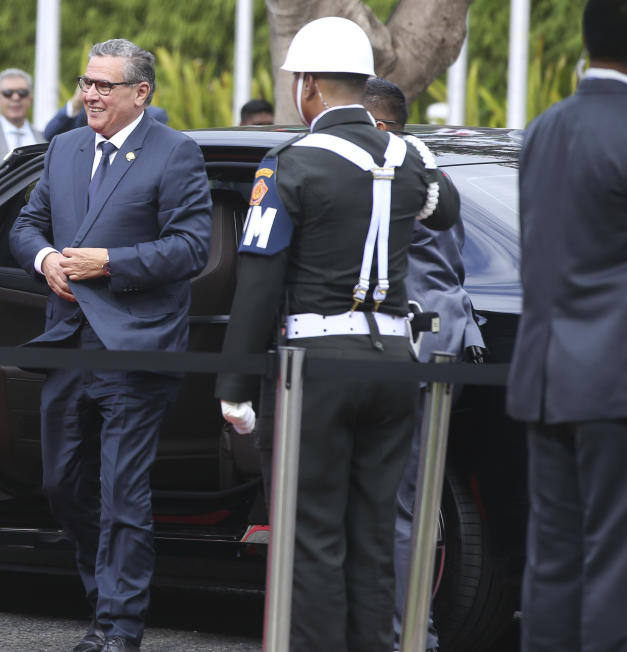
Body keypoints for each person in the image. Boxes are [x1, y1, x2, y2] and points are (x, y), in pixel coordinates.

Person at [215, 18, 457, 652]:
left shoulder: (290, 162)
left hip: (317, 365)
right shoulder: (406, 158)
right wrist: (405, 153)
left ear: (310, 86)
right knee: (374, 531)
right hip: (394, 361)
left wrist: (234, 387)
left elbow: (258, 283)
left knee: (311, 534)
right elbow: (446, 207)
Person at [9, 38, 211, 652]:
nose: (90, 94)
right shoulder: (65, 148)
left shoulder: (175, 153)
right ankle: (107, 594)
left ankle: (117, 626)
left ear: (140, 93)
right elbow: (25, 225)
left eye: (105, 85)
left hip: (134, 345)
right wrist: (45, 259)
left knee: (124, 490)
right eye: (85, 82)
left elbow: (192, 248)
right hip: (67, 340)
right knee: (61, 483)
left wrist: (109, 263)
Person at [506, 1, 627, 649]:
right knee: (620, 560)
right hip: (621, 381)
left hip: (546, 373)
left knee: (554, 559)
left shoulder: (544, 127)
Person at [362, 77, 483, 652]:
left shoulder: (390, 172)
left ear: (379, 125)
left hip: (406, 348)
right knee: (409, 504)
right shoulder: (432, 166)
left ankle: (408, 635)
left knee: (398, 506)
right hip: (441, 344)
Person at [42, 84, 169, 140]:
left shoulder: (154, 115)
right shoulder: (87, 113)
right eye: (89, 83)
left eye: (104, 85)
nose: (93, 93)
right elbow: (50, 134)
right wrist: (75, 103)